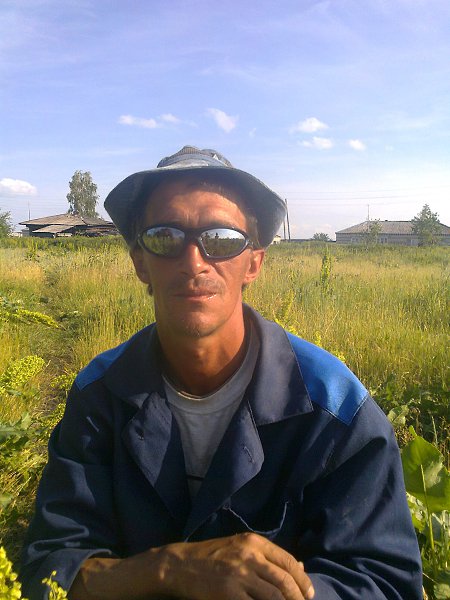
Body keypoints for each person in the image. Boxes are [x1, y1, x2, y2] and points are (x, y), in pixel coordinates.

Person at [21, 146, 422, 599]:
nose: (194, 262)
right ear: (140, 262)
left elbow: (385, 582)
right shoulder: (100, 395)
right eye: (165, 236)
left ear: (253, 263)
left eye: (222, 238)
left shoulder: (335, 410)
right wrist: (171, 568)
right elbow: (50, 566)